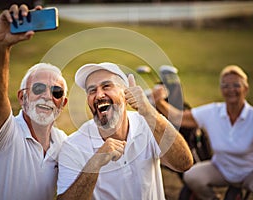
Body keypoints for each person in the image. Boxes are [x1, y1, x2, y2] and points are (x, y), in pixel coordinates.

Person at [56, 62, 193, 199]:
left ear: (126, 94)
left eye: (106, 86)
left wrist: (149, 112)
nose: (98, 95)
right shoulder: (73, 146)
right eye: (92, 90)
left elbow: (184, 163)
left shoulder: (148, 124)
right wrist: (94, 164)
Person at [0, 4, 68, 200]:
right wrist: (1, 46)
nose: (47, 96)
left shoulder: (63, 144)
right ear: (22, 98)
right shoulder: (6, 133)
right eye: (39, 88)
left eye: (56, 92)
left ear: (63, 103)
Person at [152, 65, 253, 200]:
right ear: (221, 89)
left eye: (236, 85)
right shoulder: (213, 112)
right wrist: (159, 101)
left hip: (251, 173)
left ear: (246, 88)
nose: (231, 90)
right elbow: (178, 117)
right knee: (191, 176)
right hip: (221, 169)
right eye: (225, 85)